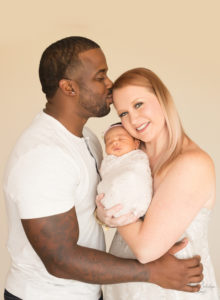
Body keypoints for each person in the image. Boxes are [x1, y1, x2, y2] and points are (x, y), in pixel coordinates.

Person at [3, 37, 203, 300]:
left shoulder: (89, 138)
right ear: (69, 87)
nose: (110, 84)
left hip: (84, 292)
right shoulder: (43, 154)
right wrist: (151, 272)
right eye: (101, 76)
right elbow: (60, 259)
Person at [96, 68, 219, 299]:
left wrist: (111, 204)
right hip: (124, 290)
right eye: (123, 113)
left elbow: (145, 249)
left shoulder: (192, 164)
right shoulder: (131, 156)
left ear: (161, 99)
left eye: (139, 104)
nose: (132, 119)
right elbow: (101, 213)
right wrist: (107, 212)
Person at [97, 122, 152, 218]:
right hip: (111, 204)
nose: (115, 143)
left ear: (136, 143)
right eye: (109, 142)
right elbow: (106, 177)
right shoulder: (107, 162)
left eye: (121, 139)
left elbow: (137, 174)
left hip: (134, 198)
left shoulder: (138, 158)